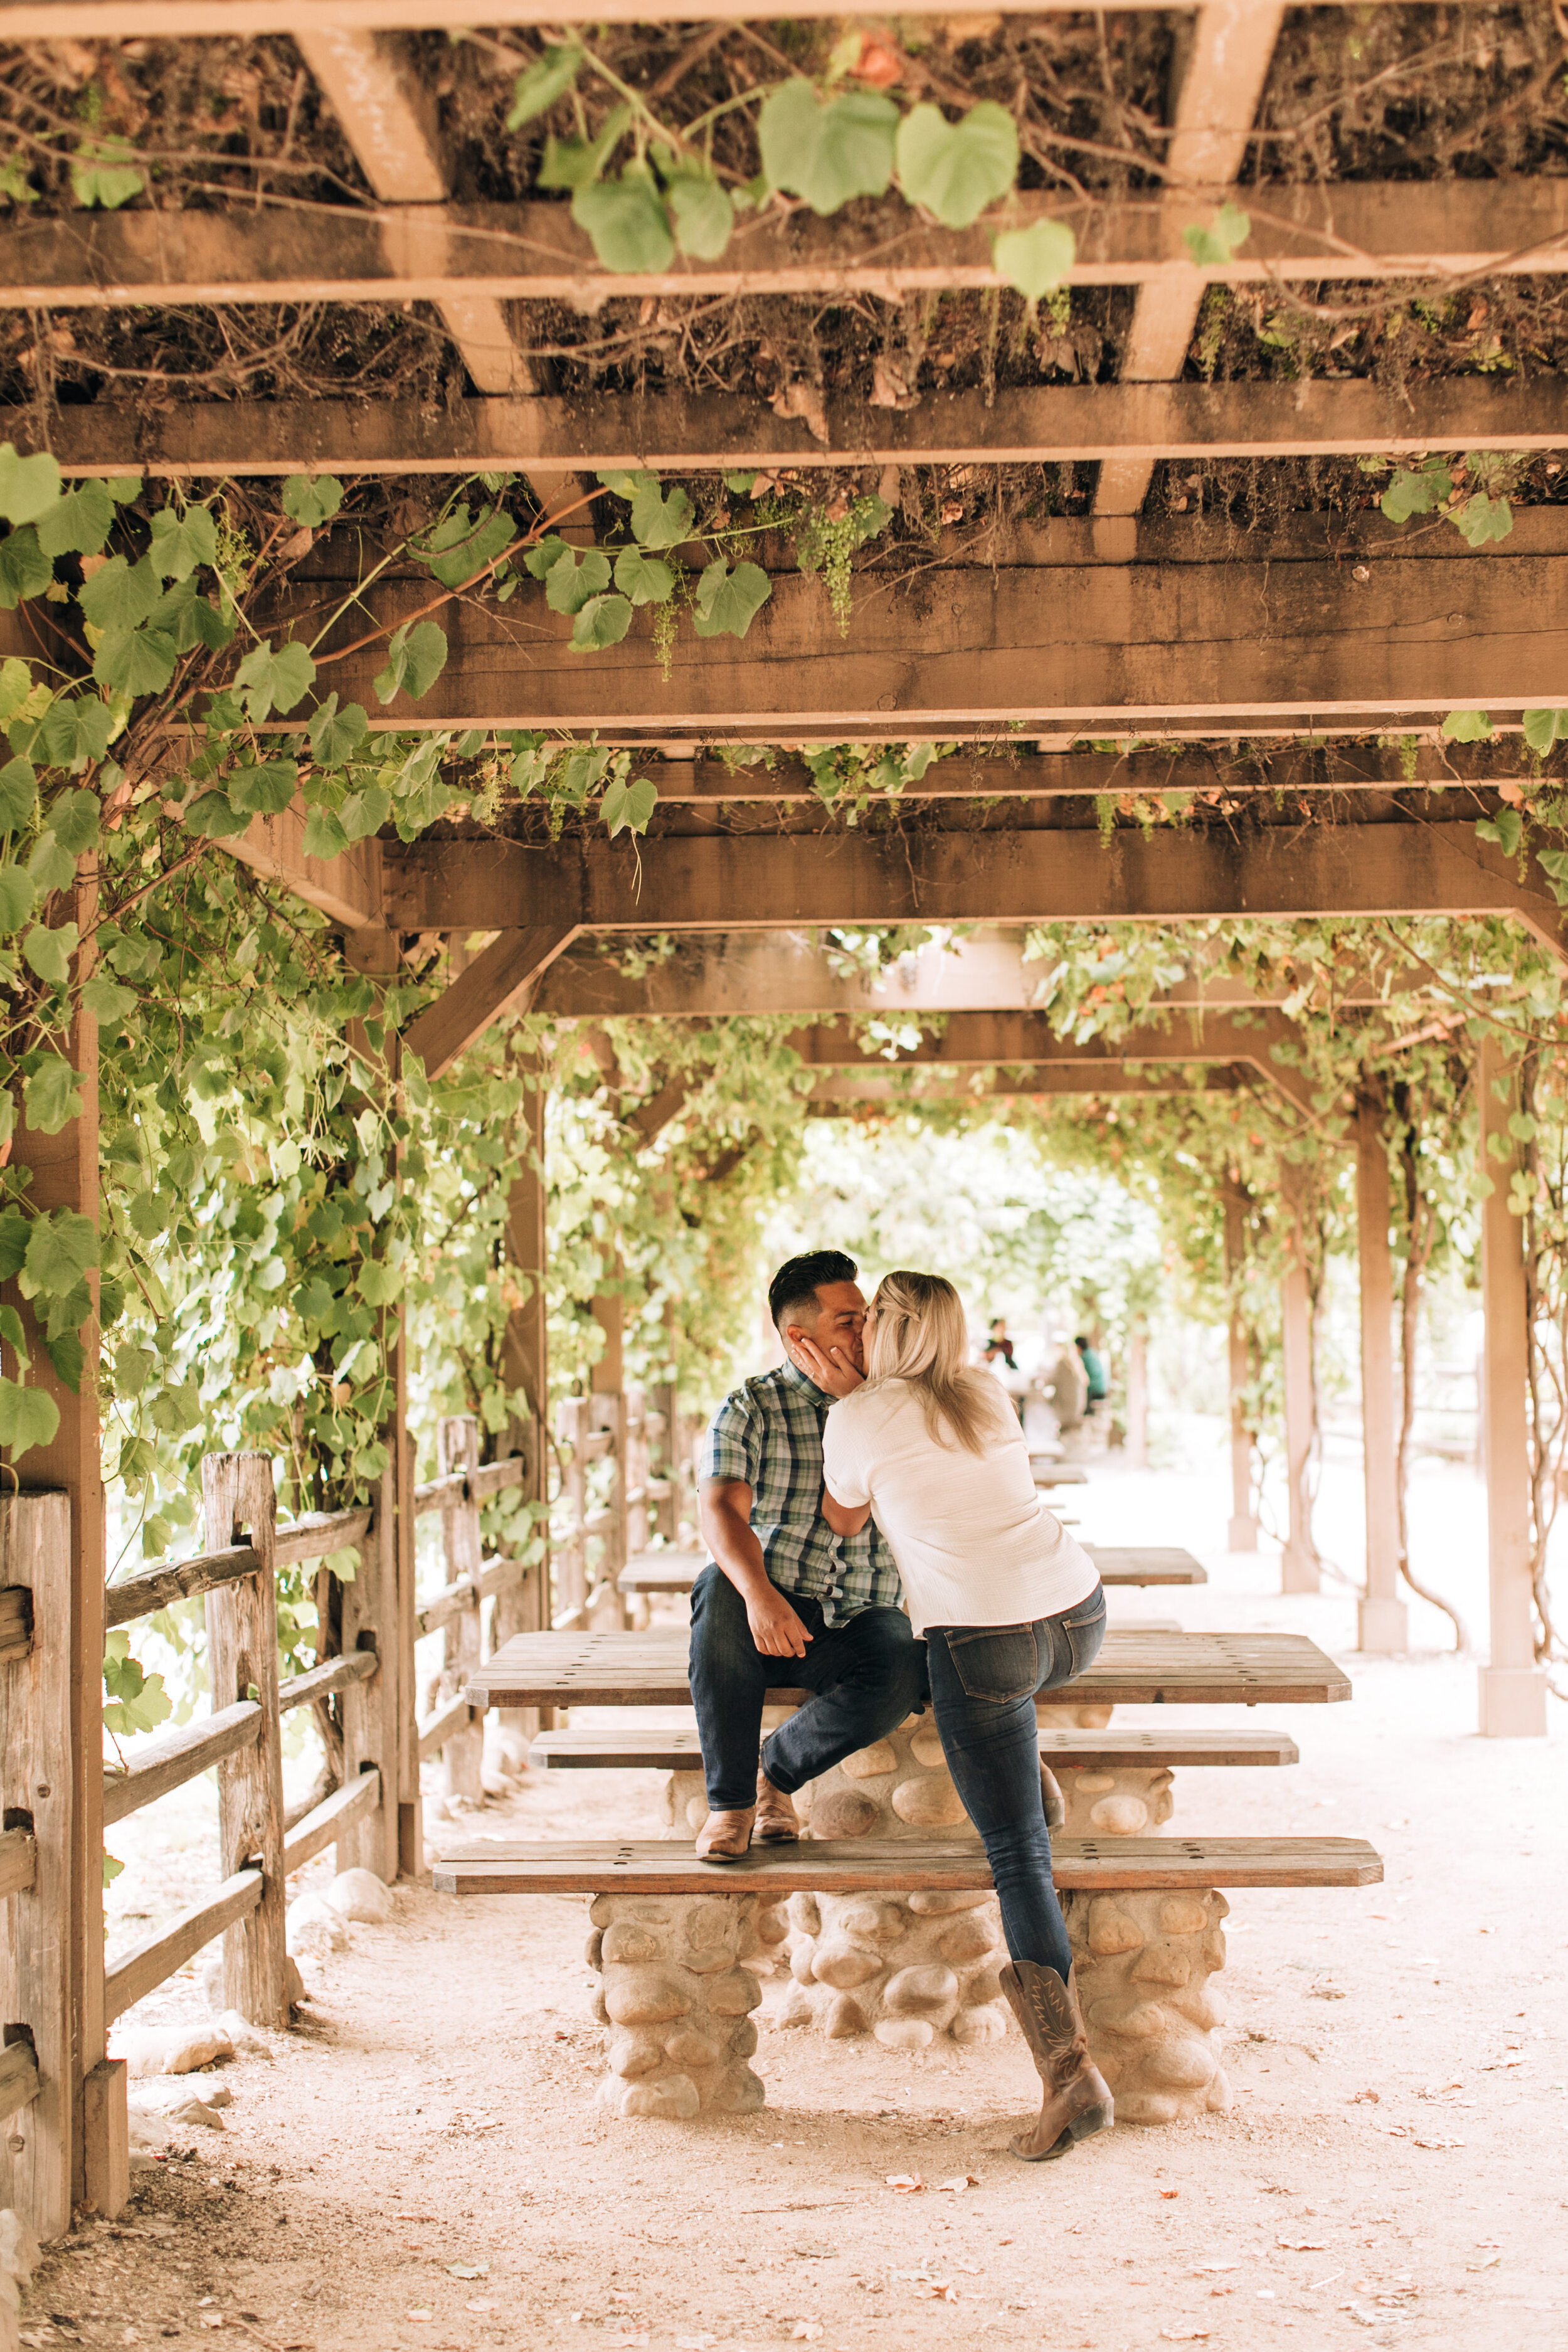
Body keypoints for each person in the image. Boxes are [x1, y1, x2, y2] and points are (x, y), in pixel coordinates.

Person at [813, 1268, 1111, 2164]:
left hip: (985, 1643)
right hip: (1079, 1615)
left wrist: (845, 1400)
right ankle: (1024, 1767)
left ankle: (1068, 2074)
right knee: (971, 1677)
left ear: (887, 1332)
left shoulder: (858, 1413)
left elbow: (844, 1521)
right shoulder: (985, 1386)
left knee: (1017, 1848)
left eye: (868, 1323)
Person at [689, 1249, 926, 1863]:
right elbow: (719, 1510)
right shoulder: (751, 1408)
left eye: (866, 1316)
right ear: (801, 1338)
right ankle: (733, 1805)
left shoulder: (894, 1402)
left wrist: (860, 1406)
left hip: (856, 1619)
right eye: (848, 1320)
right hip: (769, 1616)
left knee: (901, 1664)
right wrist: (762, 1597)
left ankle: (774, 1776)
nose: (865, 1328)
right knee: (718, 1588)